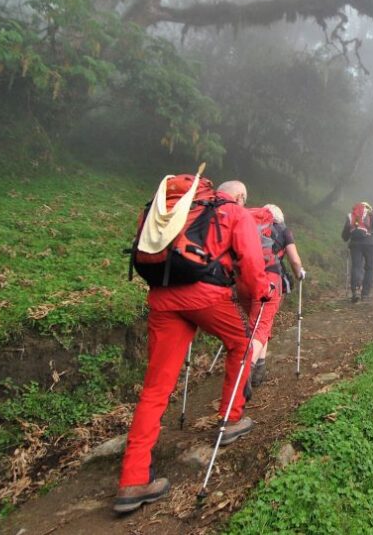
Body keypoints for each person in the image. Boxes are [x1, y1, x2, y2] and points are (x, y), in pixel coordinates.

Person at [115, 175, 270, 514]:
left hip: (162, 297)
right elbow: (253, 268)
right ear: (240, 196)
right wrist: (258, 297)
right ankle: (230, 419)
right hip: (206, 295)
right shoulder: (231, 211)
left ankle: (132, 479)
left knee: (155, 388)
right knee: (242, 346)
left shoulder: (167, 209)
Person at [246, 203, 305, 388]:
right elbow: (294, 260)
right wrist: (300, 274)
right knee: (261, 325)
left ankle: (259, 368)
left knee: (259, 321)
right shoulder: (283, 229)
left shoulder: (249, 225)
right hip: (269, 279)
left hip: (244, 279)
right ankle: (244, 371)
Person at [341, 201, 373, 302]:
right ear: (368, 207)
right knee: (369, 268)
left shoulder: (351, 215)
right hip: (369, 244)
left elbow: (345, 235)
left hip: (355, 244)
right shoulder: (370, 214)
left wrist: (349, 236)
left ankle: (355, 291)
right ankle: (365, 294)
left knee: (356, 266)